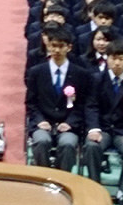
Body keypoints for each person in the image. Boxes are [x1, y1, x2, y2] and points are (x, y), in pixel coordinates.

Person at [26, 25, 90, 172]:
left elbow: (82, 104)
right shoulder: (36, 72)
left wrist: (70, 123)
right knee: (42, 140)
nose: (56, 50)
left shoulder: (80, 74)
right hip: (42, 123)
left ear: (69, 47)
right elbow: (31, 103)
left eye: (61, 46)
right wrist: (40, 120)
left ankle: (63, 179)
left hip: (69, 125)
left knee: (67, 144)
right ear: (48, 46)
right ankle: (43, 177)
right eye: (53, 46)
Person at [84, 38, 123, 197]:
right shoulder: (96, 79)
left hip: (121, 131)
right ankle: (95, 187)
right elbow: (91, 106)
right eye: (114, 58)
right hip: (103, 129)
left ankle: (121, 190)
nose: (118, 63)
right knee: (92, 146)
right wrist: (94, 129)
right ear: (107, 59)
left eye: (121, 59)